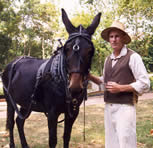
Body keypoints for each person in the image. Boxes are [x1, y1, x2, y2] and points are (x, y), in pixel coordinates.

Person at [88, 20, 150, 148]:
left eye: (117, 36)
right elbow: (104, 84)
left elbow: (145, 83)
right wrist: (89, 76)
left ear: (123, 38)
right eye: (111, 36)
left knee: (126, 143)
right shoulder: (107, 60)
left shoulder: (133, 57)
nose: (114, 39)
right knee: (111, 143)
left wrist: (121, 88)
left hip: (125, 108)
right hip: (108, 108)